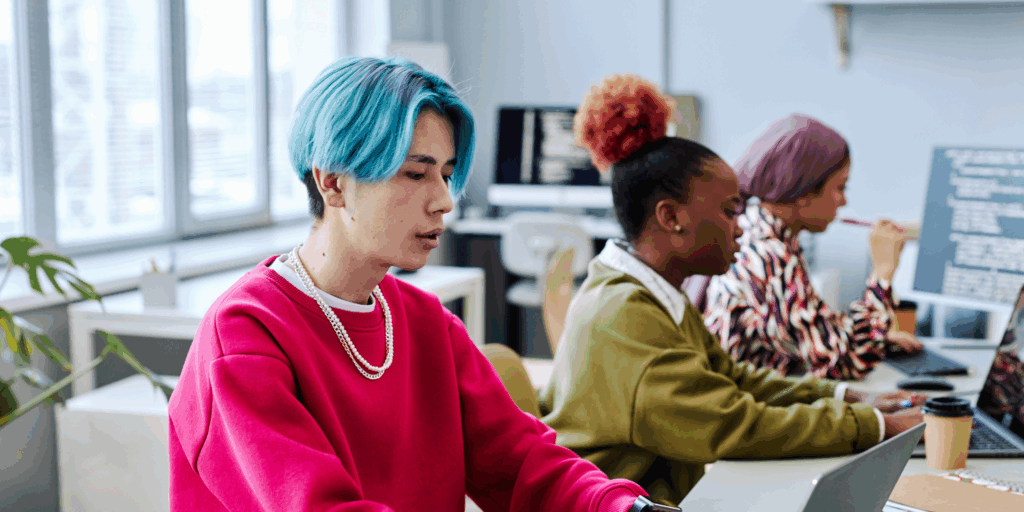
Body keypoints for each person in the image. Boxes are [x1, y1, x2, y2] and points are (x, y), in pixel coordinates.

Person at [167, 57, 650, 512]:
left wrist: (621, 506)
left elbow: (525, 463)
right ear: (332, 182)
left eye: (446, 174)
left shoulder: (427, 325)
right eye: (416, 173)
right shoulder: (245, 334)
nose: (444, 201)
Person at [538, 74, 925, 506]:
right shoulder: (626, 317)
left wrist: (850, 397)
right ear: (671, 217)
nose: (741, 227)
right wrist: (874, 425)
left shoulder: (651, 293)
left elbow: (733, 379)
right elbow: (731, 425)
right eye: (728, 211)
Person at [692, 114, 922, 381]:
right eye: (840, 187)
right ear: (802, 192)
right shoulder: (768, 254)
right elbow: (846, 363)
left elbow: (811, 329)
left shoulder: (762, 232)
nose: (844, 201)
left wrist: (876, 336)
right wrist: (883, 272)